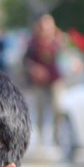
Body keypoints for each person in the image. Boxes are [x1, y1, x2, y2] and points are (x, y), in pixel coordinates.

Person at [22, 13, 62, 148]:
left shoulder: (58, 40)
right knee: (39, 110)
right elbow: (25, 61)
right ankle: (40, 140)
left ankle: (57, 138)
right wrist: (35, 69)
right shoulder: (33, 43)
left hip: (56, 80)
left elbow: (67, 58)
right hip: (39, 83)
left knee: (58, 108)